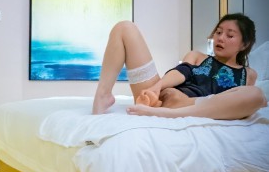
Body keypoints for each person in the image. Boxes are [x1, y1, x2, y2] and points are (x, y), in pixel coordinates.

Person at [92, 13, 267, 119]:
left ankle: (170, 113)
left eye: (230, 35)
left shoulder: (249, 74)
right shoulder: (197, 56)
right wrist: (155, 87)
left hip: (187, 107)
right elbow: (181, 72)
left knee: (256, 95)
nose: (220, 38)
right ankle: (103, 95)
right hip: (160, 98)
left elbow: (237, 103)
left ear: (245, 44)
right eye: (218, 32)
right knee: (124, 27)